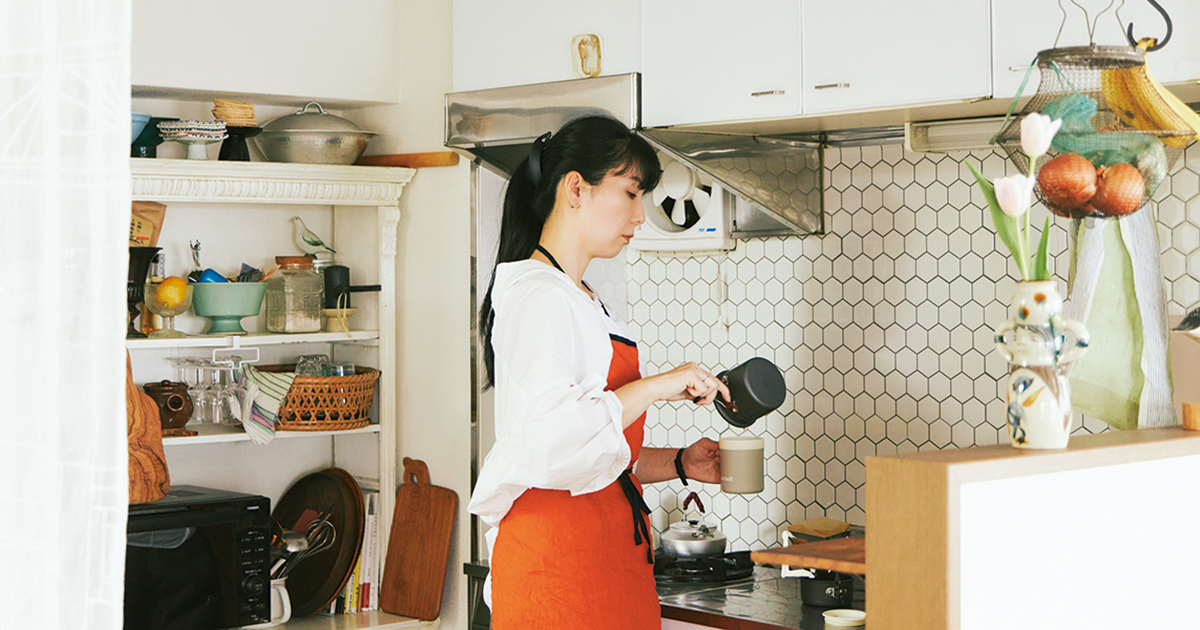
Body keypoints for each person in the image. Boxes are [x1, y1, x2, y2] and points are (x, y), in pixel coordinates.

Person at [468, 115, 732, 629]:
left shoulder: (581, 299)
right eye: (631, 193)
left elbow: (595, 457)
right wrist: (656, 386)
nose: (640, 213)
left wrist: (681, 463)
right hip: (556, 566)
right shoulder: (539, 296)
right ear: (575, 188)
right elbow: (551, 445)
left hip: (605, 557)